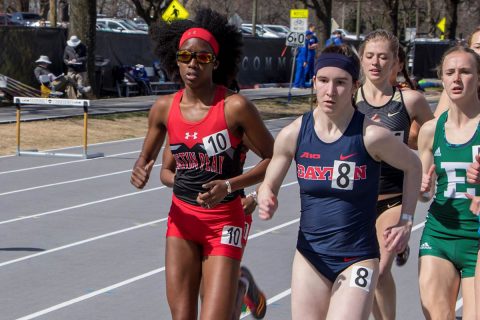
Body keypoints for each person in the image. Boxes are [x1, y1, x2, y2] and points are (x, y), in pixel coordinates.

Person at [257, 44, 421, 320]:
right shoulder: (294, 133)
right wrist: (265, 195)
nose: (330, 91)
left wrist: (406, 220)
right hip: (311, 257)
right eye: (323, 81)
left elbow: (414, 166)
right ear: (314, 82)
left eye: (340, 83)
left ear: (355, 86)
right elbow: (269, 182)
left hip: (357, 258)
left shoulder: (371, 135)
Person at [130, 8, 274, 319]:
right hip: (182, 220)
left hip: (225, 221)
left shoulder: (235, 108)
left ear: (216, 62)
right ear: (176, 59)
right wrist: (142, 169)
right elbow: (157, 164)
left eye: (203, 57)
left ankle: (240, 285)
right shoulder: (164, 109)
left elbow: (274, 158)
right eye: (185, 56)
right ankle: (238, 285)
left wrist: (231, 186)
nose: (193, 63)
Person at [356, 29, 433, 320]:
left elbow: (435, 136)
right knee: (365, 271)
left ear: (396, 63)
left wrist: (428, 165)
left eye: (383, 57)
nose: (376, 62)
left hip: (393, 197)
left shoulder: (410, 101)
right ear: (362, 60)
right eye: (370, 56)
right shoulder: (349, 99)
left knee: (378, 267)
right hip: (357, 199)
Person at [160, 140, 267, 319]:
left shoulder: (235, 116)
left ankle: (241, 285)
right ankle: (238, 280)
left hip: (229, 218)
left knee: (217, 306)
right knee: (202, 296)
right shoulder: (178, 119)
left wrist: (255, 197)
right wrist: (180, 181)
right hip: (191, 218)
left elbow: (275, 158)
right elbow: (165, 172)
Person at [418, 45, 480, 320]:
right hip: (439, 234)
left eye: (465, 72)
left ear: (478, 78)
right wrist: (422, 189)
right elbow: (423, 191)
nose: (456, 79)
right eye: (450, 72)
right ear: (441, 79)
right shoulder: (431, 130)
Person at [435, 26, 480, 116]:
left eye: (465, 72)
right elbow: (437, 123)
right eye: (478, 47)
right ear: (469, 49)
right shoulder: (458, 85)